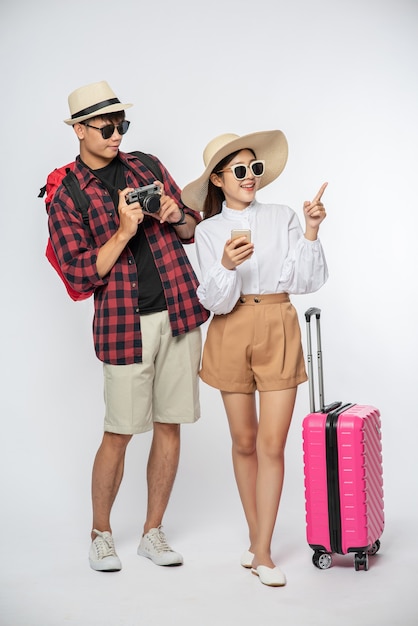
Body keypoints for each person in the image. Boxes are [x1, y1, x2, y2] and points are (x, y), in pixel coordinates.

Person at [48, 81, 209, 572]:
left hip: (179, 312)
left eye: (122, 125)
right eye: (106, 126)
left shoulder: (148, 166)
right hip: (123, 325)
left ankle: (152, 533)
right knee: (119, 432)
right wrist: (123, 230)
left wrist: (174, 212)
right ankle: (101, 533)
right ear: (79, 129)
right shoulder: (67, 192)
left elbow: (190, 228)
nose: (117, 134)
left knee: (170, 424)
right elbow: (78, 273)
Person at [181, 131, 328, 587]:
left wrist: (310, 230)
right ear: (219, 181)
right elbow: (213, 302)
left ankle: (262, 551)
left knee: (271, 445)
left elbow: (304, 281)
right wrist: (225, 265)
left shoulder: (283, 216)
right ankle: (256, 538)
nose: (250, 177)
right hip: (230, 329)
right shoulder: (207, 232)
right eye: (240, 171)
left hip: (278, 324)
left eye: (255, 168)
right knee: (244, 442)